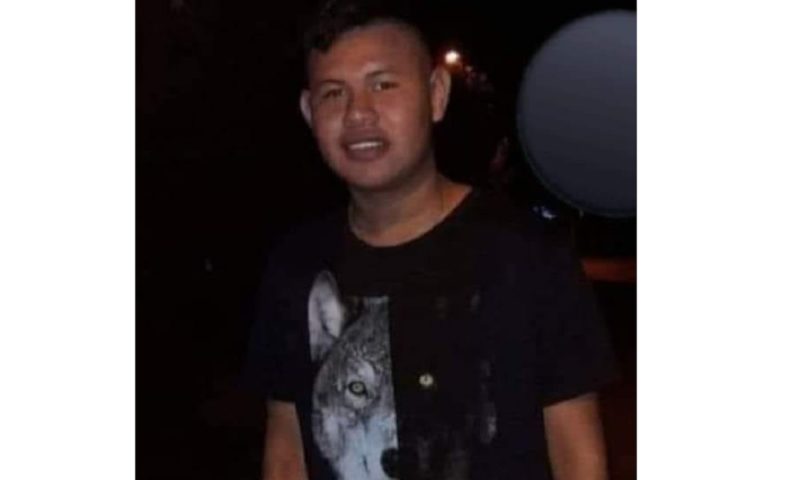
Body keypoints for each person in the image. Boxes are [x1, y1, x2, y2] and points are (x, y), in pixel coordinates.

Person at [242, 1, 617, 478]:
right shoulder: (295, 267)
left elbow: (579, 456)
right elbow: (286, 451)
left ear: (436, 94)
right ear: (308, 111)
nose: (358, 112)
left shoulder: (529, 254)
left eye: (383, 84)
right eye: (333, 93)